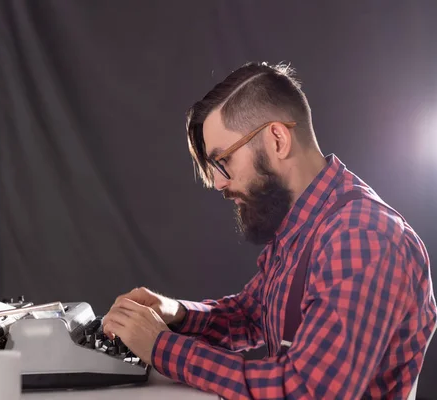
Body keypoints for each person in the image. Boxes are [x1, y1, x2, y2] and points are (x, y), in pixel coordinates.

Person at [102, 62, 437, 399]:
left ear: (277, 139)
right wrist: (177, 313)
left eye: (224, 161)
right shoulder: (305, 223)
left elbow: (303, 391)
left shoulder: (362, 237)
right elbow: (251, 315)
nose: (218, 183)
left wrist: (162, 347)